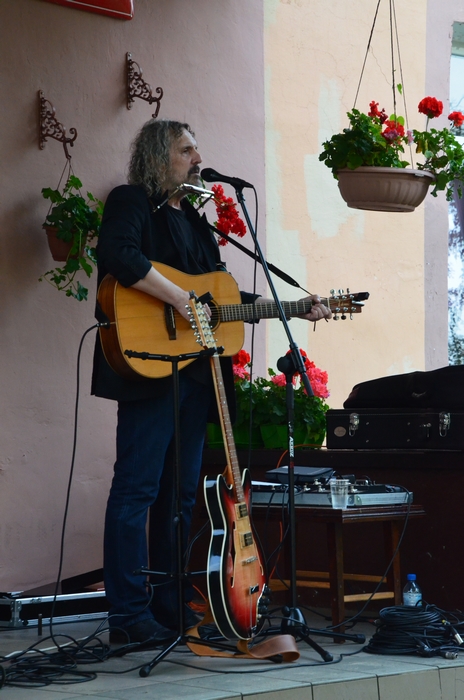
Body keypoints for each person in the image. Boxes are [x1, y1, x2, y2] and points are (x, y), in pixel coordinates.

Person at [91, 118, 332, 646]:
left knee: (179, 497)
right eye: (186, 150)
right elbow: (118, 255)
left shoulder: (199, 224)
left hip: (198, 375)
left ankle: (170, 608)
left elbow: (220, 298)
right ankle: (127, 617)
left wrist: (293, 306)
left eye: (196, 150)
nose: (198, 159)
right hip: (149, 365)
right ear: (159, 156)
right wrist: (179, 298)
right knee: (136, 488)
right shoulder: (132, 201)